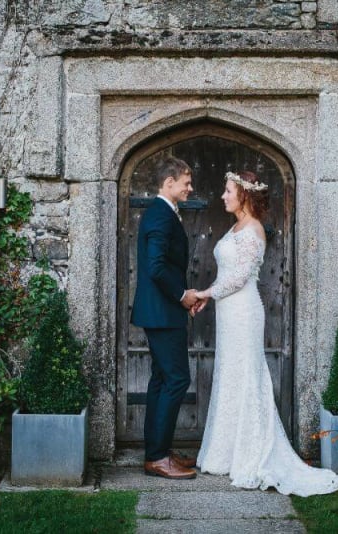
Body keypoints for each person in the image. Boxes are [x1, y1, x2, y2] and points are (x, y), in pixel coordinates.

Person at [193, 170, 338, 496]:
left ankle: (252, 454)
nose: (223, 196)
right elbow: (228, 275)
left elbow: (238, 278)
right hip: (228, 312)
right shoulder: (236, 226)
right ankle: (226, 454)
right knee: (230, 374)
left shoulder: (253, 230)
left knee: (247, 374)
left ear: (244, 195)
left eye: (228, 191)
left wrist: (205, 293)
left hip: (244, 311)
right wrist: (210, 298)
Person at [131, 156, 202, 480]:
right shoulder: (160, 215)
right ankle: (158, 457)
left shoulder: (164, 213)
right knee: (176, 380)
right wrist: (182, 295)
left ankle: (157, 452)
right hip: (162, 312)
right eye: (186, 182)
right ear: (168, 183)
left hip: (162, 312)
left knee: (161, 380)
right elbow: (157, 267)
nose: (190, 188)